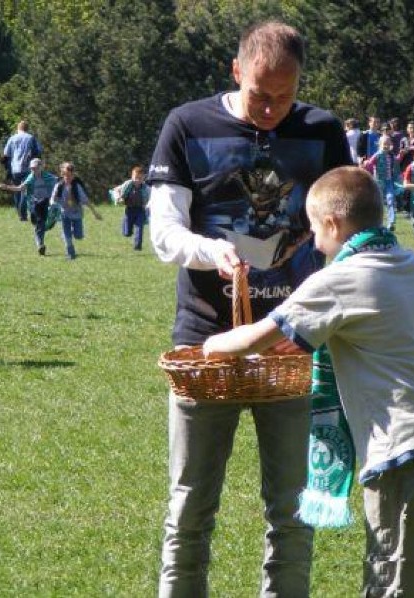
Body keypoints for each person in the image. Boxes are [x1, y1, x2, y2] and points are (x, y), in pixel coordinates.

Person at [203, 166, 414, 598]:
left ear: (333, 223)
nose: (315, 242)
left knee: (394, 580)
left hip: (406, 447)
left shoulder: (341, 278)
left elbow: (260, 336)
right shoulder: (409, 263)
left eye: (315, 229)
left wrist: (211, 346)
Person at [147, 20, 350, 596]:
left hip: (291, 346)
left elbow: (346, 229)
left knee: (293, 511)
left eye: (285, 97)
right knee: (190, 508)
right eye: (261, 95)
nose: (271, 110)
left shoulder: (323, 130)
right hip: (205, 344)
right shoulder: (187, 125)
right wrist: (211, 250)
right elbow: (164, 233)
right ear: (236, 71)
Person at [0, 157, 59, 255]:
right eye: (31, 168)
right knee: (38, 223)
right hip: (33, 203)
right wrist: (7, 187)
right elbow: (20, 188)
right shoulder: (30, 177)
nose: (33, 170)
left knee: (41, 223)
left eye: (35, 168)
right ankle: (40, 241)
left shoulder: (48, 177)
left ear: (41, 167)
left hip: (45, 202)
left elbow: (59, 182)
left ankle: (40, 245)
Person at [49, 162, 102, 259]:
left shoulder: (77, 187)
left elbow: (85, 201)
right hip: (64, 213)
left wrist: (95, 213)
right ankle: (71, 254)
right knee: (67, 235)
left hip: (77, 213)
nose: (67, 177)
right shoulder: (59, 186)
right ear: (62, 174)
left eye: (70, 175)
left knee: (79, 236)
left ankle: (71, 233)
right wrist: (53, 204)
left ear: (73, 175)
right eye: (65, 175)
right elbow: (52, 198)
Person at [2, 120, 42, 221]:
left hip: (15, 169)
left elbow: (6, 154)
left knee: (16, 191)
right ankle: (23, 214)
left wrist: (7, 168)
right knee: (25, 190)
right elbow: (39, 151)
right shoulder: (31, 138)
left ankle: (20, 214)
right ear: (27, 128)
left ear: (18, 128)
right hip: (27, 167)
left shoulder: (12, 138)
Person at [362, 134, 399, 231]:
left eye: (388, 144)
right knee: (379, 202)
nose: (386, 146)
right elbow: (369, 164)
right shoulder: (377, 155)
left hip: (389, 181)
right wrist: (365, 164)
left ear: (390, 144)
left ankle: (391, 222)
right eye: (384, 144)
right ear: (380, 145)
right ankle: (378, 222)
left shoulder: (391, 156)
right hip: (379, 182)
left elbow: (396, 165)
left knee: (391, 199)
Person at [113, 165, 150, 250]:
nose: (137, 180)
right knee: (127, 233)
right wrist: (118, 198)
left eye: (140, 178)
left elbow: (152, 197)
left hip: (140, 210)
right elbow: (116, 190)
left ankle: (137, 246)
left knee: (139, 227)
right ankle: (126, 228)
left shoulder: (146, 188)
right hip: (129, 210)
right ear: (132, 176)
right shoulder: (128, 184)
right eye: (136, 177)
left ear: (143, 178)